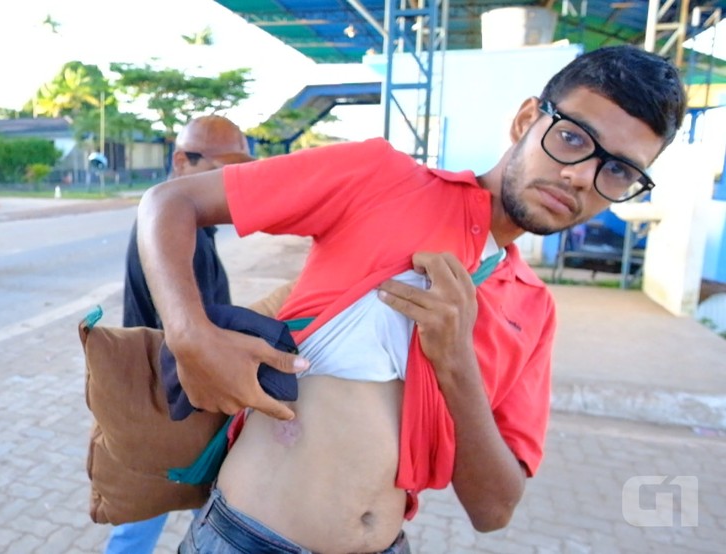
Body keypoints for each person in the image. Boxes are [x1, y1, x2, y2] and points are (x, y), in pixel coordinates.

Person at [136, 45, 685, 553]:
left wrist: (456, 362)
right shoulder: (380, 178)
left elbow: (493, 509)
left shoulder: (533, 309)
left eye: (617, 170)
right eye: (572, 137)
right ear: (525, 120)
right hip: (247, 540)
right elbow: (168, 204)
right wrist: (190, 335)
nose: (579, 176)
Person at [107, 114, 255, 554]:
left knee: (202, 513)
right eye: (217, 173)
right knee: (143, 525)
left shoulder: (193, 224)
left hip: (176, 401)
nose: (227, 188)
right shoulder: (170, 223)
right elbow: (193, 335)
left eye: (234, 176)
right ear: (181, 161)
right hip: (166, 404)